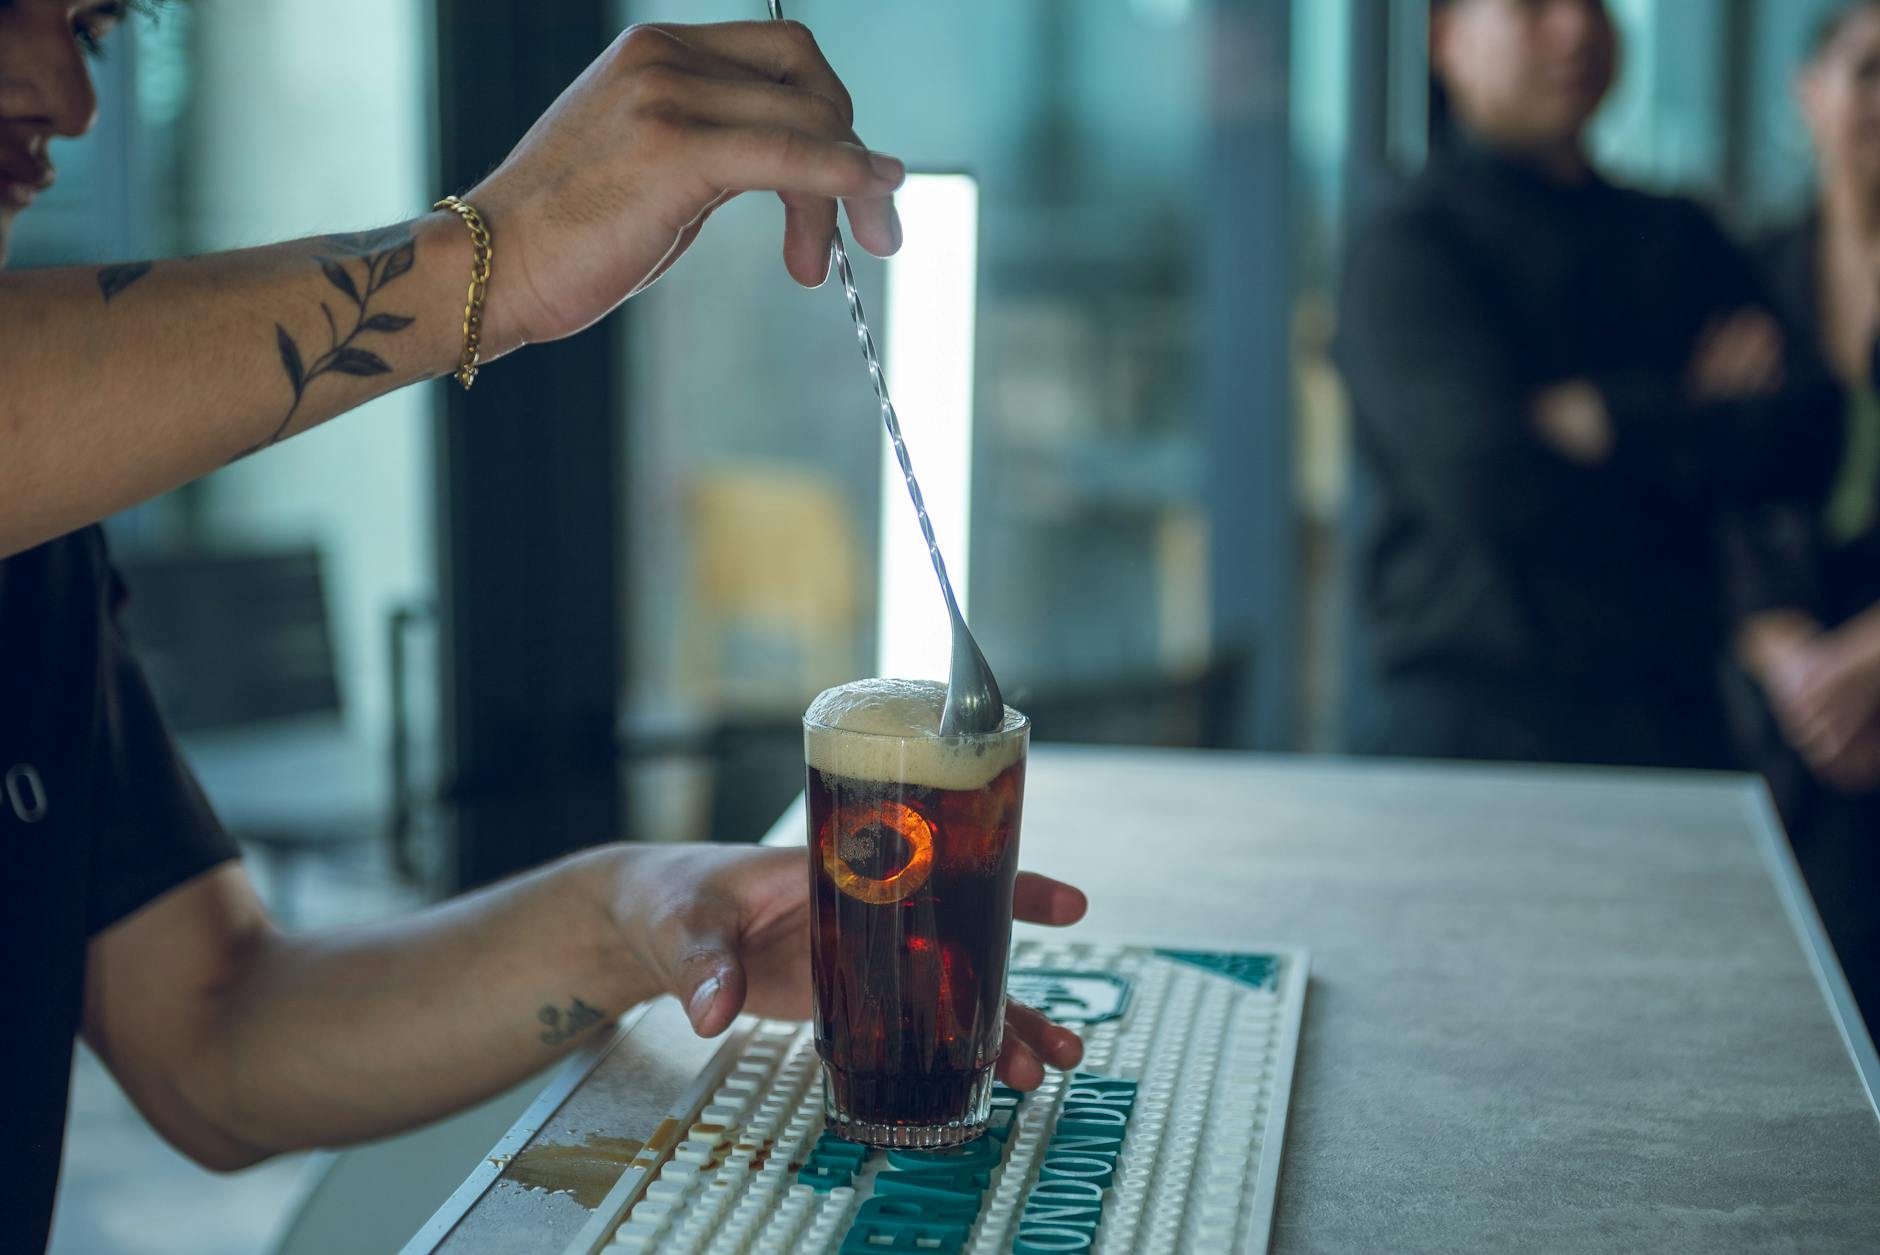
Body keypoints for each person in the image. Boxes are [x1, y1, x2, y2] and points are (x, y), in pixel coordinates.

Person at [0, 5, 1087, 1249]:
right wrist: (488, 257)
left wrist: (638, 914)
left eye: (87, 30)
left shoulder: (36, 551)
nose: (66, 99)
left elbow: (211, 1042)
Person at [1338, 0, 1843, 770]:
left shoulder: (1676, 233)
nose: (1576, 29)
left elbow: (1813, 438)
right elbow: (1489, 478)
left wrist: (1604, 418)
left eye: (1595, 5)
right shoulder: (1411, 247)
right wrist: (1694, 416)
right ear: (1448, 40)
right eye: (1533, 8)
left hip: (1679, 721)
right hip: (1473, 726)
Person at [1742, 0, 1880, 1023]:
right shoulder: (1746, 272)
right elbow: (1698, 495)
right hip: (1774, 701)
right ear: (1809, 96)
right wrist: (1785, 655)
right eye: (1868, 69)